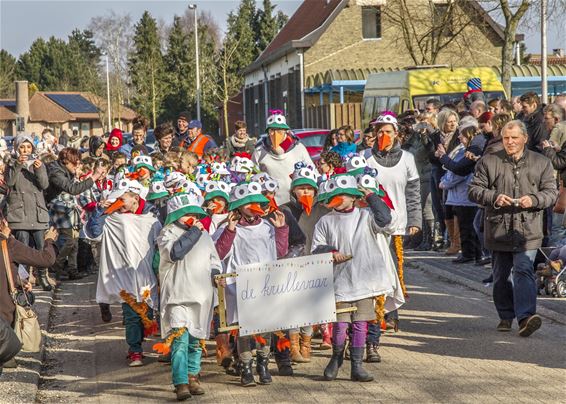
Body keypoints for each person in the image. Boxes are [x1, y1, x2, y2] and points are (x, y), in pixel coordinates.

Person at [311, 173, 403, 382]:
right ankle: (336, 357)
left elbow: (385, 220)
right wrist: (332, 252)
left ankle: (357, 365)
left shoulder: (366, 215)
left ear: (354, 197)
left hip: (364, 279)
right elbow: (316, 247)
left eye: (344, 194)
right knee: (341, 323)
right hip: (340, 281)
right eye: (336, 195)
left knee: (361, 323)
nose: (340, 198)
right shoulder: (325, 221)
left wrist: (371, 196)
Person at [468, 120, 557, 337]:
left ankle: (526, 317)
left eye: (514, 138)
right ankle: (506, 315)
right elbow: (473, 190)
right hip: (498, 228)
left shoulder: (541, 162)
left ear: (525, 138)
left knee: (524, 268)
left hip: (528, 230)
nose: (510, 142)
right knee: (501, 276)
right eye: (506, 138)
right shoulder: (489, 162)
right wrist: (495, 197)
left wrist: (534, 199)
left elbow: (551, 192)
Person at [214, 181, 288, 387]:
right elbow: (219, 253)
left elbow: (279, 252)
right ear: (238, 206)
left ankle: (263, 364)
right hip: (239, 285)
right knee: (244, 329)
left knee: (265, 327)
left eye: (256, 201)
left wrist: (281, 230)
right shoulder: (228, 227)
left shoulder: (267, 226)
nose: (253, 206)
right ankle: (246, 367)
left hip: (265, 283)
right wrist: (230, 229)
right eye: (248, 203)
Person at [85, 179, 161, 366]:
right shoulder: (112, 219)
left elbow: (160, 245)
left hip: (145, 276)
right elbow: (94, 232)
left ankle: (138, 342)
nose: (118, 203)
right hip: (123, 276)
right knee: (132, 313)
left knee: (146, 313)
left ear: (135, 198)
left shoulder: (151, 218)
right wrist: (101, 211)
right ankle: (135, 350)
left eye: (122, 199)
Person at [157, 192, 220, 400]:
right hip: (177, 297)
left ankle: (193, 376)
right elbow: (176, 252)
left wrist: (215, 273)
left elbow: (214, 260)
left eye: (195, 212)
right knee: (180, 341)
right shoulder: (167, 233)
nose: (192, 216)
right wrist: (194, 231)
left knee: (196, 340)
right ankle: (180, 382)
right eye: (187, 213)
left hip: (201, 296)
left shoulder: (204, 235)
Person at [0, 218, 57, 370]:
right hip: (3, 318)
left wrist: (18, 281)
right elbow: (47, 259)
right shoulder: (8, 244)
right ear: (3, 224)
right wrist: (49, 241)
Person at [5, 135, 52, 291]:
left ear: (32, 148)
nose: (25, 150)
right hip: (19, 213)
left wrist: (39, 169)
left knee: (40, 245)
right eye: (22, 147)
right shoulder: (11, 164)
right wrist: (18, 165)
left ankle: (43, 276)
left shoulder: (39, 164)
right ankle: (23, 279)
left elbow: (44, 185)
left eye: (28, 147)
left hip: (37, 212)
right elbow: (9, 182)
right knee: (22, 248)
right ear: (17, 149)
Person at [438, 123, 482, 264]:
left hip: (465, 195)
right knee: (464, 227)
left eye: (462, 135)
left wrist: (446, 182)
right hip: (457, 196)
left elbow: (459, 171)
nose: (459, 137)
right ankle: (469, 253)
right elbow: (450, 169)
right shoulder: (461, 150)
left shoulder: (470, 152)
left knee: (468, 227)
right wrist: (444, 180)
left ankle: (471, 254)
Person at [252, 112, 314, 205]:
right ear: (268, 132)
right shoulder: (259, 152)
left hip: (296, 203)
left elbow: (312, 172)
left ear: (286, 131)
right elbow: (252, 176)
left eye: (280, 130)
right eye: (272, 130)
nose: (275, 134)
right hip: (272, 203)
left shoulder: (298, 148)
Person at [423, 108, 460, 251]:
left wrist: (444, 155)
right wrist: (433, 150)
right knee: (439, 207)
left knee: (450, 206)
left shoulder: (458, 136)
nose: (452, 124)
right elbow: (431, 156)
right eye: (449, 122)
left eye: (454, 121)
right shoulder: (436, 136)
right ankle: (447, 238)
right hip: (437, 171)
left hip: (452, 173)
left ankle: (454, 241)